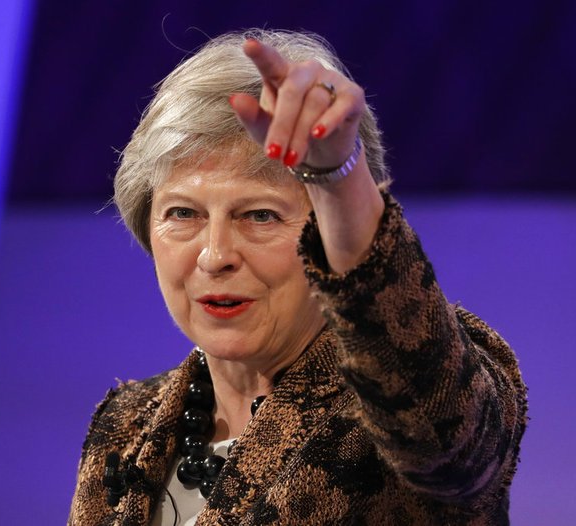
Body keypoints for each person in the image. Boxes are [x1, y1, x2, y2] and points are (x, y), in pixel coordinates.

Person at [68, 29, 527, 525]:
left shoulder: (399, 408)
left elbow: (450, 448)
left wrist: (338, 179)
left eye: (260, 216)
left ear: (328, 236)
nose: (215, 255)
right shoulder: (126, 424)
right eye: (183, 213)